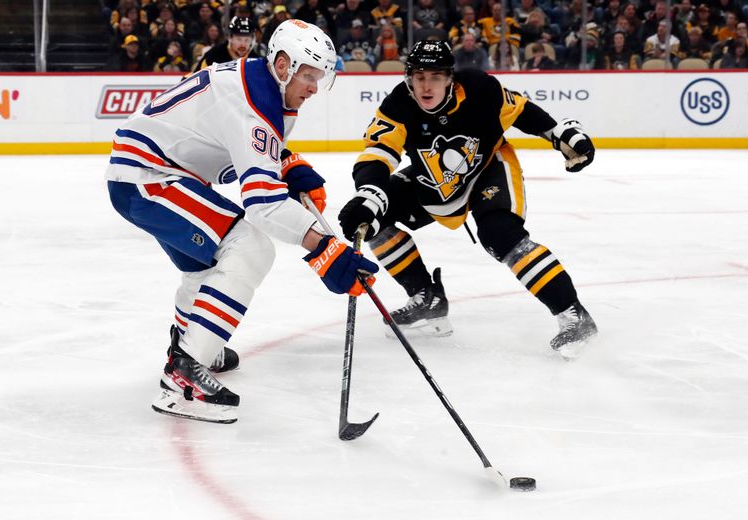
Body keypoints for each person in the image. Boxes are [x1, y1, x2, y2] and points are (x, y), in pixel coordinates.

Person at [106, 20, 378, 424]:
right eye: (308, 76)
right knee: (249, 246)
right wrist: (326, 249)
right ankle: (184, 377)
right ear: (283, 65)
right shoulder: (255, 102)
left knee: (208, 265)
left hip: (159, 173)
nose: (314, 87)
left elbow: (237, 144)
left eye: (320, 77)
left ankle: (193, 344)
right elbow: (263, 205)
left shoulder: (264, 85)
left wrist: (287, 163)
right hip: (149, 177)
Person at [337, 40, 597, 359]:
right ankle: (427, 299)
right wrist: (370, 192)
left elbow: (520, 110)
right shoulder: (398, 103)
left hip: (489, 169)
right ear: (408, 79)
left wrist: (559, 134)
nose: (426, 86)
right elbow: (377, 153)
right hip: (434, 179)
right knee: (375, 218)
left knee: (500, 236)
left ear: (451, 78)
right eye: (419, 77)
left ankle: (573, 315)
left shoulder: (479, 88)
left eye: (434, 77)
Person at [194, 15, 260, 71]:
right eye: (238, 39)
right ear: (230, 38)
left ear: (252, 40)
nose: (243, 44)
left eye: (247, 40)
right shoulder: (213, 56)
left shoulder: (256, 61)